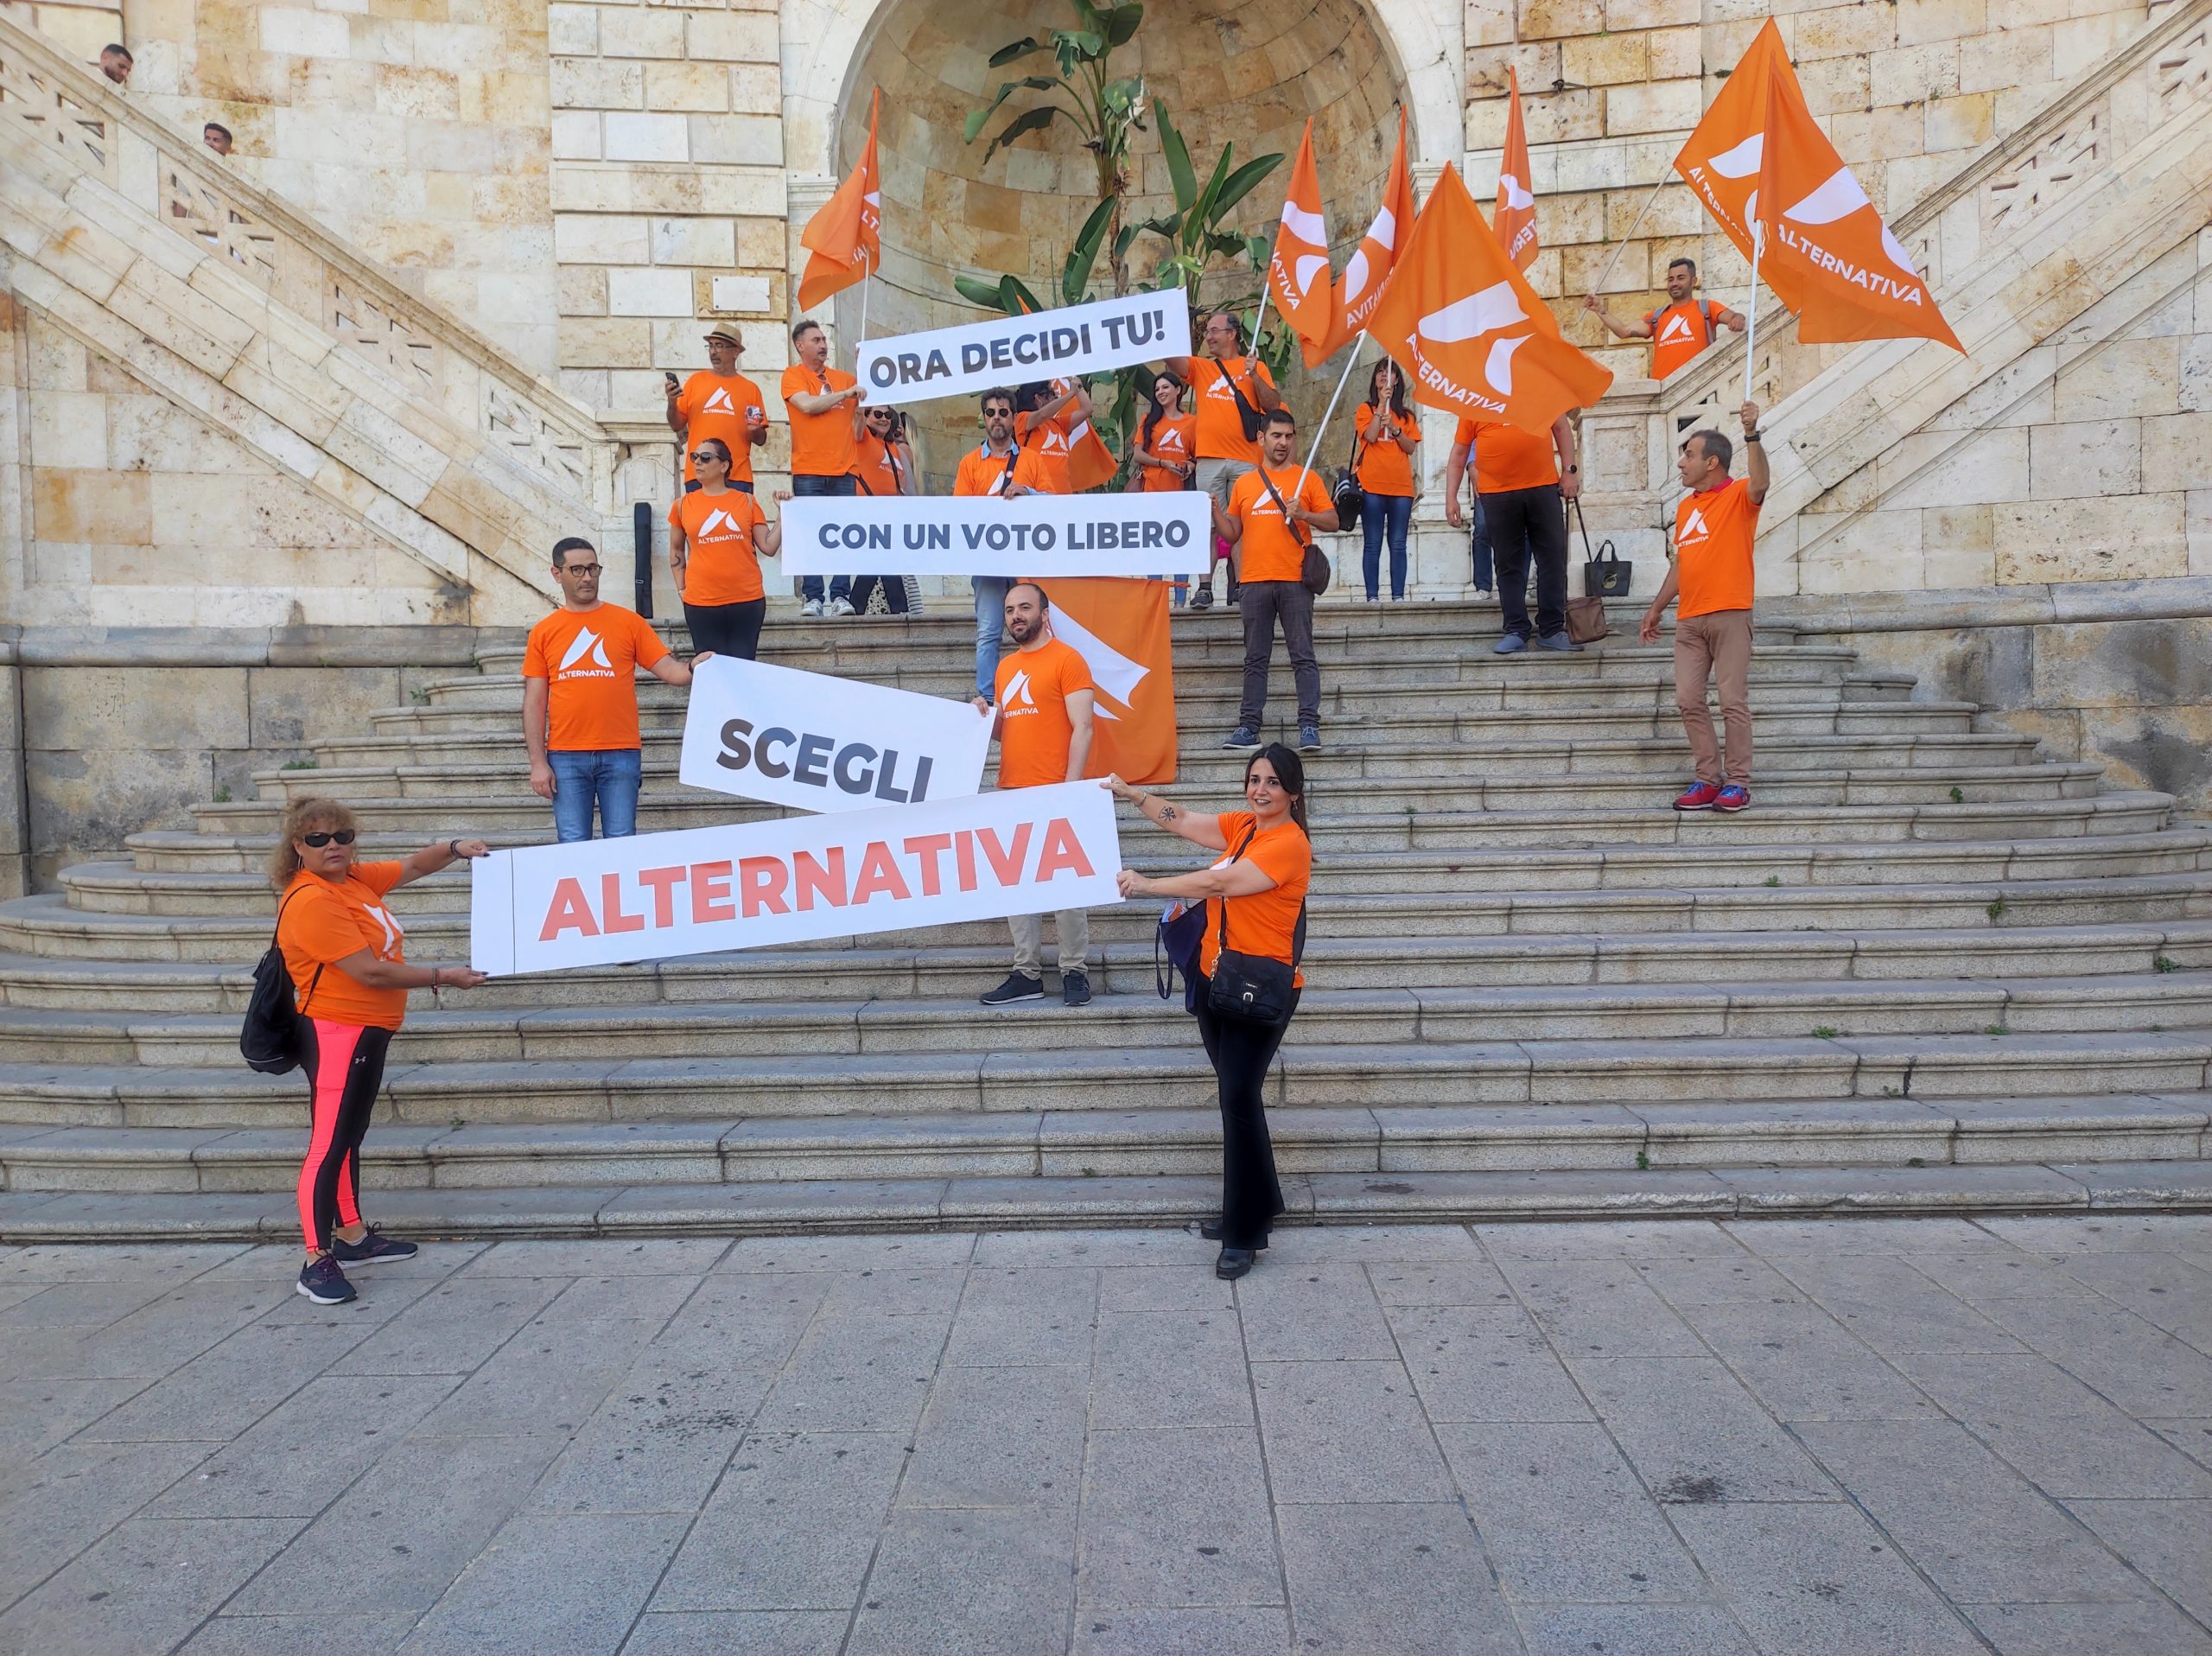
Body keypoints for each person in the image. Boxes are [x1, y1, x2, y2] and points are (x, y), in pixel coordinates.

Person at [270, 797, 489, 1304]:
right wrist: (442, 977)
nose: (334, 846)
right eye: (319, 839)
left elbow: (414, 865)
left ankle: (352, 1236)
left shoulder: (352, 880)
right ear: (297, 847)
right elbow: (369, 971)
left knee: (349, 1134)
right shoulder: (311, 899)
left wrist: (457, 848)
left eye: (343, 836)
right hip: (337, 1032)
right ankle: (314, 1260)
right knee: (328, 1143)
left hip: (367, 1030)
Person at [1107, 743, 1312, 1280]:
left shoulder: (1288, 845)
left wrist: (1149, 884)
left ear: (1293, 791)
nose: (1260, 789)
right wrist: (1136, 797)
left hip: (1258, 989)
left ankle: (1244, 1234)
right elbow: (1187, 822)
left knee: (1239, 1098)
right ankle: (1255, 1206)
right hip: (1217, 979)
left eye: (1272, 782)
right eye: (1254, 779)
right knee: (1236, 1099)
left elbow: (1219, 882)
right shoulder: (1245, 827)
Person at [523, 537, 705, 842]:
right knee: (572, 845)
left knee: (622, 845)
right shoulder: (544, 632)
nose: (587, 578)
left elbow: (670, 670)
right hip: (565, 756)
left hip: (621, 753)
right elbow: (534, 703)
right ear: (557, 574)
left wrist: (694, 666)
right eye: (577, 570)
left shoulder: (628, 623)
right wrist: (538, 763)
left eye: (593, 569)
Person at [971, 582, 1096, 1008]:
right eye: (1009, 610)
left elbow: (1084, 726)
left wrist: (1070, 787)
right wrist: (983, 719)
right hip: (1012, 787)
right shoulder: (1004, 668)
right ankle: (1026, 973)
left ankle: (1074, 970)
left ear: (1044, 614)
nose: (1015, 616)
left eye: (1024, 608)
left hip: (1055, 788)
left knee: (1065, 885)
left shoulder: (1068, 659)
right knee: (1018, 886)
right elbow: (1008, 729)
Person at [1642, 401, 1768, 814]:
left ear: (1712, 462)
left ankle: (1738, 783)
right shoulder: (1686, 507)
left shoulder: (1738, 495)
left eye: (1689, 455)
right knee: (1688, 699)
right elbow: (1682, 562)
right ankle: (1707, 778)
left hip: (1730, 611)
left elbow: (1761, 484)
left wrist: (1751, 435)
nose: (1681, 463)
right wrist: (1657, 607)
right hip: (1690, 619)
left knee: (1732, 699)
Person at [1211, 408, 1336, 752]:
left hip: (1295, 580)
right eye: (1276, 436)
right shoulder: (1246, 483)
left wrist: (1304, 513)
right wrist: (1216, 513)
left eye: (1289, 436)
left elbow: (1333, 520)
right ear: (1261, 438)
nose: (1283, 443)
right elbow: (1233, 532)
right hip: (1253, 582)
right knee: (1255, 657)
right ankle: (1249, 727)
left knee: (1303, 655)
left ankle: (1309, 725)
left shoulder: (1306, 479)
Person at [1166, 310, 1283, 608]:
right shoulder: (1202, 367)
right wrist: (1166, 321)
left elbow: (1272, 405)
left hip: (1246, 460)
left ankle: (1243, 586)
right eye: (1207, 331)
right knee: (1209, 525)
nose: (1208, 336)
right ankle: (1205, 587)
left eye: (1214, 330)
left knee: (1242, 525)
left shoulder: (1253, 367)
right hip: (1209, 460)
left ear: (1232, 334)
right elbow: (1173, 360)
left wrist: (1254, 374)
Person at [1443, 412, 1583, 653]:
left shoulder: (1539, 387)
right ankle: (1516, 629)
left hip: (1543, 486)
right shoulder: (1475, 401)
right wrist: (1450, 498)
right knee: (1508, 563)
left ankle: (1552, 629)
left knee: (1552, 559)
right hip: (1497, 494)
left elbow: (1561, 429)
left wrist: (1570, 471)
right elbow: (1459, 453)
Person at [953, 388, 1047, 701]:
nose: (997, 418)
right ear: (983, 418)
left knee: (1040, 627)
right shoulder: (969, 464)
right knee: (989, 633)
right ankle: (988, 701)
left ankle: (1043, 692)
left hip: (1028, 558)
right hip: (988, 561)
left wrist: (1029, 494)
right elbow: (960, 512)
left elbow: (1056, 503)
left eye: (1003, 412)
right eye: (991, 413)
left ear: (1013, 417)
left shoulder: (1032, 460)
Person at [779, 318, 864, 616]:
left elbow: (857, 431)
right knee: (808, 534)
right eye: (815, 340)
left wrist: (863, 395)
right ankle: (813, 596)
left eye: (824, 339)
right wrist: (844, 394)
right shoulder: (793, 376)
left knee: (845, 535)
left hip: (844, 470)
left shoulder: (844, 377)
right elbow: (808, 406)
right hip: (809, 469)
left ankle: (840, 594)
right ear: (799, 345)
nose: (823, 344)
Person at [669, 438, 781, 659]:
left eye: (706, 457)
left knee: (743, 668)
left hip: (747, 601)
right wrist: (681, 589)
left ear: (724, 466)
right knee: (710, 670)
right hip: (701, 602)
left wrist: (783, 514)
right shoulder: (682, 505)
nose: (697, 462)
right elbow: (676, 550)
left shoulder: (747, 501)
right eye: (694, 457)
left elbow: (768, 546)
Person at [1585, 258, 1745, 380]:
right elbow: (1624, 331)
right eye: (1671, 279)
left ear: (1694, 281)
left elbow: (1733, 316)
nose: (1674, 283)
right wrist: (1600, 310)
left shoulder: (1707, 307)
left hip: (1697, 389)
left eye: (1681, 278)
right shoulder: (1657, 316)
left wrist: (1738, 318)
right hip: (1664, 396)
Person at [666, 325, 767, 495]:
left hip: (737, 476)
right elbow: (677, 425)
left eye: (720, 346)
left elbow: (761, 439)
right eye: (711, 346)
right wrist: (671, 402)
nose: (713, 352)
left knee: (739, 523)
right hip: (699, 475)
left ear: (735, 352)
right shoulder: (695, 381)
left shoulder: (750, 389)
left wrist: (756, 429)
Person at [1352, 360, 1420, 602]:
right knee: (1372, 543)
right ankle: (1372, 596)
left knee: (1398, 543)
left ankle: (1398, 596)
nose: (1384, 375)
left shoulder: (1407, 416)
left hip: (1400, 488)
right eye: (1380, 372)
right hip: (1371, 486)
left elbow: (1411, 448)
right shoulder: (1364, 410)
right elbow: (1369, 435)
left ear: (1397, 380)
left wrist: (1396, 428)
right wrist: (1381, 405)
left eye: (1389, 372)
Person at [1131, 371, 1196, 603]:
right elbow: (1138, 454)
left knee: (1180, 548)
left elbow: (1197, 456)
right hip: (1152, 491)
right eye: (1157, 389)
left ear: (1178, 390)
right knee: (1155, 549)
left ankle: (1180, 599)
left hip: (1179, 494)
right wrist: (1162, 463)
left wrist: (1189, 465)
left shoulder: (1192, 422)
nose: (1161, 392)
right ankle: (1155, 600)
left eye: (1166, 387)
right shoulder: (1148, 420)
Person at [848, 404, 916, 616]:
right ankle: (899, 610)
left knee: (881, 563)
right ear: (866, 416)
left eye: (887, 415)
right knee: (882, 561)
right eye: (877, 414)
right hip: (867, 513)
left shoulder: (893, 448)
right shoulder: (862, 438)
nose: (883, 419)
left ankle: (859, 607)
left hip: (891, 517)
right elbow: (856, 427)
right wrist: (859, 407)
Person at [1013, 378, 1090, 495]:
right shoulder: (1022, 419)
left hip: (1063, 497)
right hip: (1037, 496)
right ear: (1038, 399)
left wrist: (1078, 387)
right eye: (1052, 394)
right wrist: (1071, 394)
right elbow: (1042, 414)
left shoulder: (1059, 424)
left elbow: (1087, 409)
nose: (1056, 397)